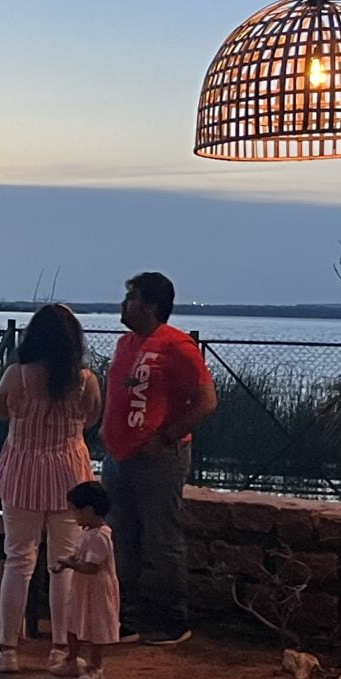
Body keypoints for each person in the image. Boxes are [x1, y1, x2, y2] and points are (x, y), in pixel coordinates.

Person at [100, 271, 218, 645]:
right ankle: (126, 618)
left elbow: (206, 401)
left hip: (158, 460)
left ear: (149, 306)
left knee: (161, 539)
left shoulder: (177, 346)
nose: (123, 304)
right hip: (119, 458)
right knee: (121, 538)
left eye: (130, 297)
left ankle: (171, 620)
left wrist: (166, 437)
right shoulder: (125, 344)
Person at [0, 302, 103, 674]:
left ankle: (7, 650)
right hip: (70, 470)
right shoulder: (85, 380)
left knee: (18, 559)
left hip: (22, 470)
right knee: (63, 562)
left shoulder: (16, 376)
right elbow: (92, 418)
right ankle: (61, 651)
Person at [51, 481, 122, 679]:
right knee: (73, 621)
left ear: (89, 510)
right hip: (82, 587)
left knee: (96, 626)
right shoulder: (86, 532)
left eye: (76, 511)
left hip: (97, 588)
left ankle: (96, 667)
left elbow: (92, 567)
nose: (73, 516)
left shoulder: (100, 536)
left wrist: (68, 563)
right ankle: (71, 659)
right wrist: (66, 563)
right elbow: (79, 557)